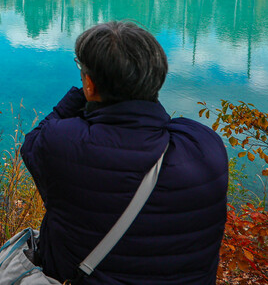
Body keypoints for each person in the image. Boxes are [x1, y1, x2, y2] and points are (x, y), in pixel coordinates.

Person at [21, 21, 228, 285]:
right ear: (157, 78)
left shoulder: (62, 142)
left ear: (90, 84)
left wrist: (82, 95)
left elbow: (33, 143)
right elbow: (161, 122)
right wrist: (140, 91)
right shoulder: (205, 146)